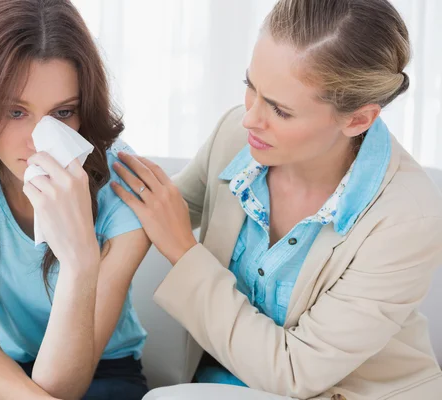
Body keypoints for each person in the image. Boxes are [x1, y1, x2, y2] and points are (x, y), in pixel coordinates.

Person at [111, 0, 442, 399]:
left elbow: (295, 373)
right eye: (251, 86)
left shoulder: (407, 217)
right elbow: (154, 207)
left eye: (281, 111)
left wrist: (184, 251)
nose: (250, 117)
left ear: (357, 120)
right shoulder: (236, 135)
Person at [0, 0, 151, 399]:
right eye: (15, 112)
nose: (39, 140)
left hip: (100, 368)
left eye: (62, 113)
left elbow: (65, 385)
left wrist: (80, 260)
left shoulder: (123, 184)